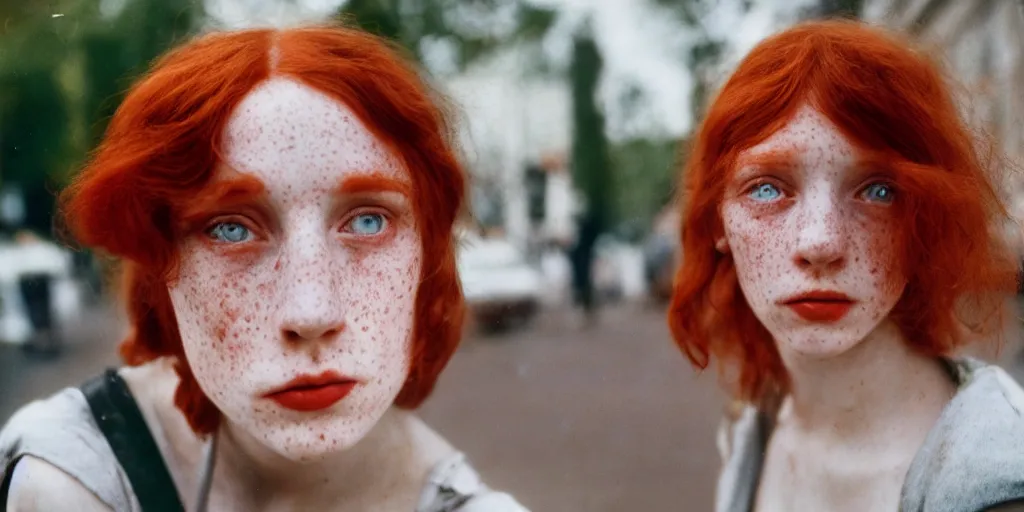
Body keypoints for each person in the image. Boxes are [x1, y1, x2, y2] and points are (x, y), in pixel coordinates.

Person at [0, 24, 527, 511]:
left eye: (368, 222)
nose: (311, 312)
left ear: (427, 257)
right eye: (232, 228)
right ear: (163, 264)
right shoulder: (74, 480)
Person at [667, 20, 1024, 512]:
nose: (821, 242)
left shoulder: (999, 483)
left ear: (926, 217)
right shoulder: (758, 429)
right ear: (717, 224)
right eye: (768, 188)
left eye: (879, 190)